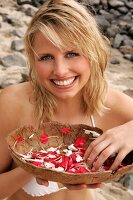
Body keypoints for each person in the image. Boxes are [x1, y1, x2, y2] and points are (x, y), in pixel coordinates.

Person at [0, 0, 133, 199]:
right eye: (46, 57)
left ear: (93, 53)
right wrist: (37, 166)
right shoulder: (14, 102)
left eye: (72, 54)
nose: (60, 71)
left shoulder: (114, 105)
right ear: (32, 60)